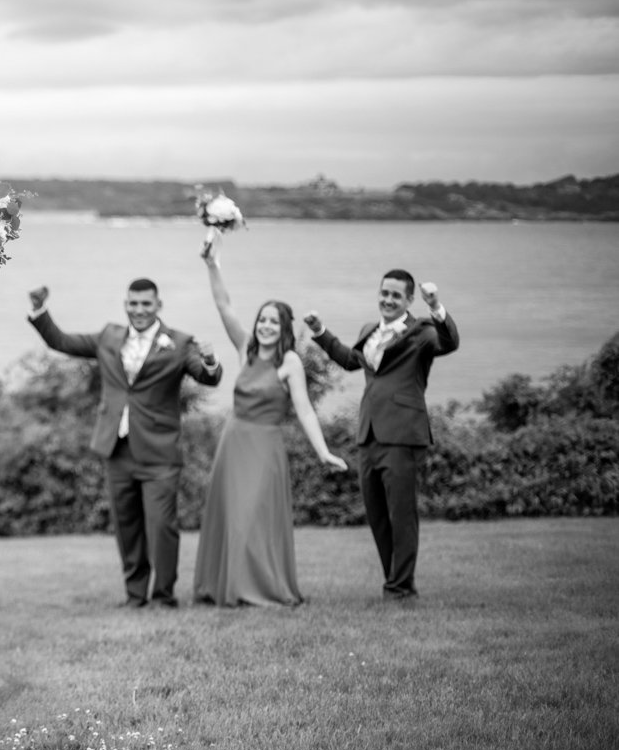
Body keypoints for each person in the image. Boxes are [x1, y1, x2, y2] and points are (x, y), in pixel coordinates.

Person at [28, 277, 222, 608]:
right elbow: (62, 341)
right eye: (133, 303)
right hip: (117, 449)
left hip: (159, 451)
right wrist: (40, 310)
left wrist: (209, 360)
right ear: (125, 305)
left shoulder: (178, 342)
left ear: (158, 306)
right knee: (126, 525)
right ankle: (135, 595)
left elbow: (208, 376)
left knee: (162, 526)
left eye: (146, 304)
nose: (139, 310)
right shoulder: (108, 336)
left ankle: (163, 596)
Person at [193, 240, 347, 607]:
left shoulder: (290, 362)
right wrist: (212, 264)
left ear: (284, 328)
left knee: (253, 517)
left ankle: (259, 587)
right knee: (231, 516)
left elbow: (305, 410)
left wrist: (323, 451)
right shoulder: (244, 346)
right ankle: (226, 587)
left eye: (273, 322)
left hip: (265, 448)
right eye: (262, 319)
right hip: (234, 443)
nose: (265, 326)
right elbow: (223, 305)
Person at [305, 270, 459, 600]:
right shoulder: (369, 330)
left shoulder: (422, 332)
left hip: (403, 434)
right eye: (384, 293)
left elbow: (449, 343)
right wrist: (320, 331)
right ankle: (394, 579)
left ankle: (401, 587)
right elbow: (350, 361)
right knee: (377, 515)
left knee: (401, 515)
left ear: (408, 300)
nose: (388, 300)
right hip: (369, 434)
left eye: (396, 295)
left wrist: (437, 307)